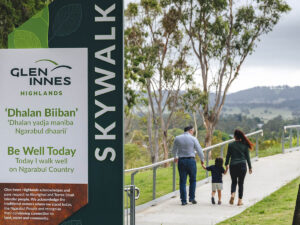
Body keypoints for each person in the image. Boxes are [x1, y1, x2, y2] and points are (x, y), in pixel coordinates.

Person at [172, 125, 205, 205]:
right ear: (190, 130)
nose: (193, 132)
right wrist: (202, 159)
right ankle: (192, 198)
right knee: (193, 180)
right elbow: (199, 150)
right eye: (192, 131)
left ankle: (183, 200)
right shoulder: (193, 138)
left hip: (181, 161)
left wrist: (175, 157)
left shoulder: (177, 138)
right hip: (191, 161)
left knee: (182, 181)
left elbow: (174, 150)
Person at [225, 129, 253, 206]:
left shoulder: (230, 145)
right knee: (241, 183)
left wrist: (226, 164)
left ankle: (232, 194)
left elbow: (228, 156)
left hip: (233, 165)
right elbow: (248, 157)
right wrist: (250, 167)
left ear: (234, 136)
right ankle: (239, 201)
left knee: (234, 182)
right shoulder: (245, 145)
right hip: (242, 165)